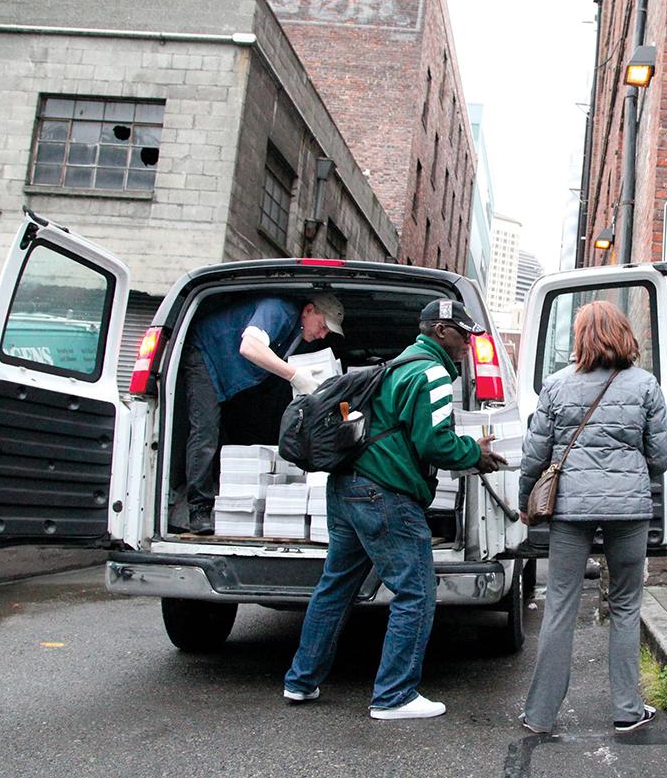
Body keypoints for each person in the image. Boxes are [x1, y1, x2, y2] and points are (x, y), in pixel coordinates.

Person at [282, 299, 506, 720]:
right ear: (440, 331)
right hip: (385, 495)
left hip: (347, 489)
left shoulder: (394, 366)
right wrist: (474, 454)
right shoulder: (433, 373)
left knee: (335, 586)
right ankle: (394, 695)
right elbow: (434, 443)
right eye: (462, 335)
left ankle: (301, 680)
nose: (466, 346)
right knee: (416, 592)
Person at [519, 301, 667, 734]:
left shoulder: (555, 385)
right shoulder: (645, 385)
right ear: (623, 334)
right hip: (629, 508)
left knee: (561, 605)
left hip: (571, 508)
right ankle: (627, 709)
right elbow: (661, 457)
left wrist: (522, 500)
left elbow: (535, 456)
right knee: (626, 605)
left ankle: (540, 715)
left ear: (580, 337)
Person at [182, 294, 345, 534]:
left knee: (227, 437)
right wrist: (294, 375)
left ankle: (222, 499)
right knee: (205, 432)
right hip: (206, 356)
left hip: (229, 374)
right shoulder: (278, 309)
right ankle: (199, 509)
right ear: (308, 310)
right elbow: (249, 347)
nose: (323, 335)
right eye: (322, 326)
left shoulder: (297, 334)